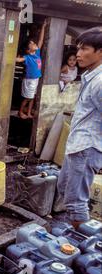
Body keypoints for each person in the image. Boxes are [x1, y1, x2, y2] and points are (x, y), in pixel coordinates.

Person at [57, 27, 102, 229]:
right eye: (78, 48)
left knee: (75, 201)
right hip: (77, 145)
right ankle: (73, 231)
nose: (78, 54)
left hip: (86, 147)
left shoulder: (100, 82)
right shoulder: (91, 76)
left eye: (84, 49)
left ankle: (82, 247)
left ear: (100, 52)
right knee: (64, 188)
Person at [16, 22, 47, 119]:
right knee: (28, 98)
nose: (34, 43)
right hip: (29, 81)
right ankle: (20, 112)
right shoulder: (27, 57)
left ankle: (28, 113)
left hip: (35, 79)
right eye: (32, 44)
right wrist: (16, 57)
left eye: (34, 43)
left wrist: (43, 26)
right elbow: (18, 60)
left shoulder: (37, 54)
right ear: (28, 50)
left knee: (32, 97)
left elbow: (41, 40)